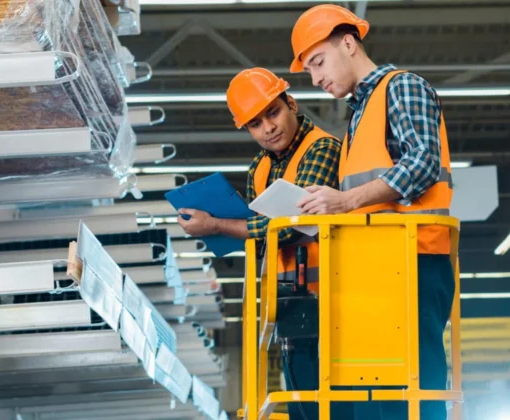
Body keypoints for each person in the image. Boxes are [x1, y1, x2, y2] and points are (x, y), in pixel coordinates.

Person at [290, 4, 457, 420]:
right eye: (310, 70)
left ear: (348, 43)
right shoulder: (358, 117)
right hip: (376, 269)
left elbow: (422, 162)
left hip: (414, 261)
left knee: (415, 391)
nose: (316, 79)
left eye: (318, 62)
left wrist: (345, 201)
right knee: (377, 396)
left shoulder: (402, 88)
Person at [175, 67, 347, 420]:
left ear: (292, 104)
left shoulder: (323, 149)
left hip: (331, 297)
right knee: (303, 404)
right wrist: (225, 225)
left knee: (331, 405)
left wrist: (218, 224)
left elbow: (287, 228)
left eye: (273, 112)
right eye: (255, 123)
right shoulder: (259, 168)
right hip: (288, 298)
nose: (268, 127)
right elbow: (262, 241)